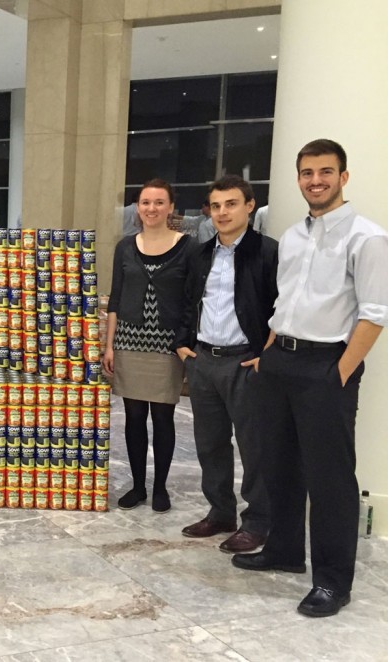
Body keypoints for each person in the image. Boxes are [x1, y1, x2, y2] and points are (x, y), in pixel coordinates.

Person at [231, 139, 388, 618]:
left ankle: (333, 582)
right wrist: (271, 353)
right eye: (306, 173)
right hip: (281, 362)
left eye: (325, 172)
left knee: (330, 481)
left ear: (343, 176)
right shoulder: (294, 236)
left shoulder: (367, 237)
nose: (314, 181)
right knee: (278, 465)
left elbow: (374, 315)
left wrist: (337, 374)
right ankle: (283, 551)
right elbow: (286, 304)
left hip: (326, 367)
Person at [174, 175, 278, 554]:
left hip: (245, 363)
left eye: (231, 204)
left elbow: (282, 308)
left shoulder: (268, 252)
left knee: (254, 446)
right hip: (203, 360)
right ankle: (220, 512)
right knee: (210, 443)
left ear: (249, 205)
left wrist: (267, 353)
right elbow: (186, 303)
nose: (222, 212)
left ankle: (258, 521)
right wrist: (183, 347)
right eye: (216, 206)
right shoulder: (199, 254)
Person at [104, 179, 194, 513]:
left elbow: (191, 301)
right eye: (145, 203)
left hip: (167, 345)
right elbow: (116, 298)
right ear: (137, 207)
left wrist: (184, 341)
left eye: (159, 202)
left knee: (163, 417)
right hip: (129, 340)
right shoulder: (125, 247)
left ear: (171, 207)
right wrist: (109, 345)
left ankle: (160, 488)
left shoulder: (189, 247)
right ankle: (139, 485)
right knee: (134, 416)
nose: (151, 209)